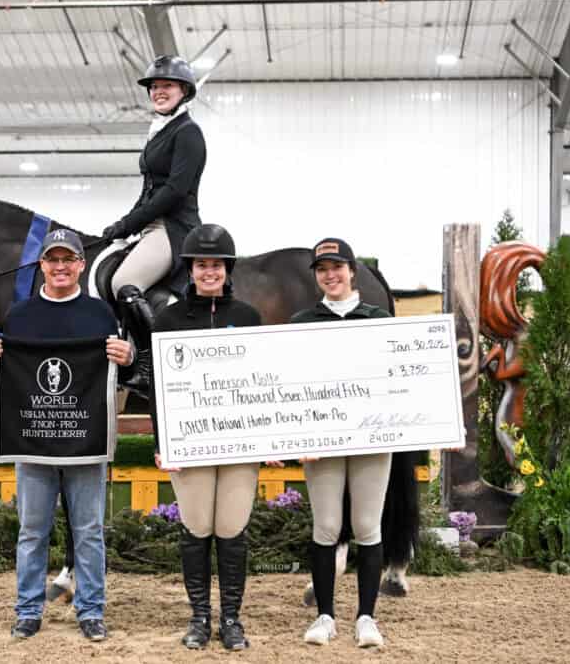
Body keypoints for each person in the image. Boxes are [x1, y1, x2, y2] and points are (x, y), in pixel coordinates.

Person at [0, 228, 134, 643]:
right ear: (41, 265)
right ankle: (28, 610)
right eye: (52, 259)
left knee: (90, 531)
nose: (60, 266)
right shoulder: (20, 315)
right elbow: (8, 376)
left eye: (68, 259)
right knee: (32, 531)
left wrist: (128, 358)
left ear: (81, 264)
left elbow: (120, 372)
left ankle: (91, 610)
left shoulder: (102, 315)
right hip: (35, 441)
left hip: (85, 443)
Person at [150, 224, 280, 651]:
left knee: (231, 527)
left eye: (216, 264)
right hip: (191, 445)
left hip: (239, 446)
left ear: (227, 269)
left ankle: (232, 618)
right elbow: (157, 388)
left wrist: (269, 438)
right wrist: (162, 442)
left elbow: (263, 382)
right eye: (201, 264)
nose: (209, 271)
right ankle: (200, 617)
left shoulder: (247, 317)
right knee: (197, 527)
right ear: (191, 270)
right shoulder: (167, 321)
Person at [290, 237, 392, 649]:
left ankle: (367, 616)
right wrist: (297, 435)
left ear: (352, 271)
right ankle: (325, 616)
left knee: (368, 526)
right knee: (327, 526)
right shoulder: (301, 322)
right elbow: (291, 385)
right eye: (322, 269)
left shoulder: (378, 318)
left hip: (370, 439)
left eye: (337, 267)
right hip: (322, 439)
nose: (330, 275)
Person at [102, 55, 206, 391]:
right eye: (155, 86)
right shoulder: (160, 130)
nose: (159, 91)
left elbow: (174, 191)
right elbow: (149, 190)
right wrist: (123, 225)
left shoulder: (188, 132)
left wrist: (130, 222)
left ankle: (148, 364)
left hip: (175, 228)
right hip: (153, 224)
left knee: (124, 282)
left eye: (168, 86)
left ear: (184, 90)